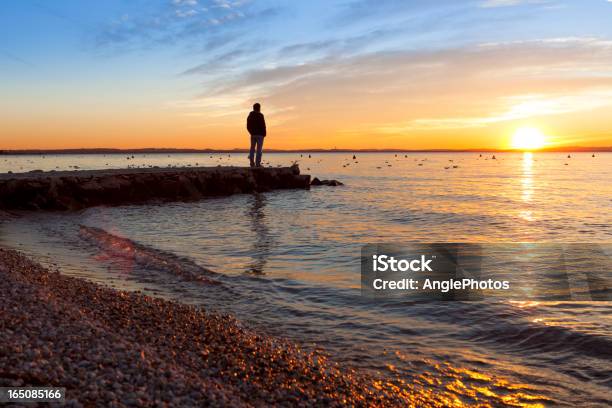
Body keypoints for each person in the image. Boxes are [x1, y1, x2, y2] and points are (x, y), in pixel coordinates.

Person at [246, 103, 266, 167]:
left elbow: (248, 126)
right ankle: (257, 164)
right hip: (260, 135)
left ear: (253, 108)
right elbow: (263, 125)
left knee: (252, 149)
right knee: (259, 149)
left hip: (253, 134)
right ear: (259, 108)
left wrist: (251, 132)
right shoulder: (261, 115)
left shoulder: (250, 115)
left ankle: (252, 163)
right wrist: (264, 133)